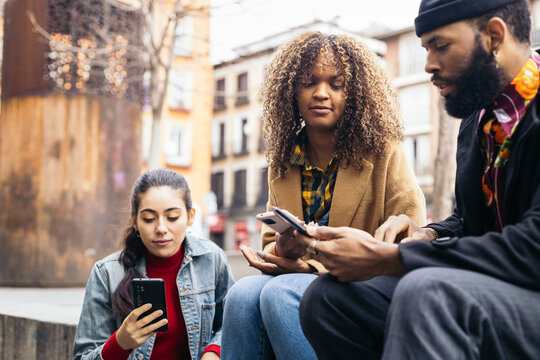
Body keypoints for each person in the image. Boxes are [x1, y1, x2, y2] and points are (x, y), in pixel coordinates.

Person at [297, 0, 540, 359]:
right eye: (425, 49)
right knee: (328, 298)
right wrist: (427, 234)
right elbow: (468, 221)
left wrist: (393, 259)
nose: (429, 65)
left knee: (427, 294)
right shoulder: (480, 119)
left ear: (493, 36)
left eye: (440, 46)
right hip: (490, 287)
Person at [221, 32, 426, 360]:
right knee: (241, 294)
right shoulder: (283, 161)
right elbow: (272, 240)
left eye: (336, 84)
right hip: (297, 277)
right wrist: (282, 248)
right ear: (291, 90)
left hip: (363, 285)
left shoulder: (385, 152)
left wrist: (310, 270)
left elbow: (408, 242)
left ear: (355, 92)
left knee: (279, 293)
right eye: (308, 82)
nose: (321, 93)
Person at [73, 169, 235, 360]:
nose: (161, 229)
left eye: (172, 217)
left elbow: (232, 323)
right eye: (149, 219)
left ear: (190, 216)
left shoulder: (212, 258)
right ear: (134, 221)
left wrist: (213, 351)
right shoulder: (106, 273)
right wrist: (120, 343)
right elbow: (82, 357)